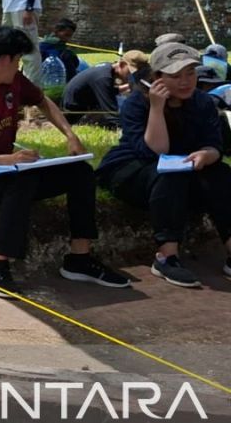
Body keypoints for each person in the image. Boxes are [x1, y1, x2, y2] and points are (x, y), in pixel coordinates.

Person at [0, 25, 129, 298]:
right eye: (17, 60)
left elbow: (43, 102)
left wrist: (70, 135)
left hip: (12, 170)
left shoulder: (13, 83)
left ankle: (80, 257)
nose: (19, 66)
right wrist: (8, 160)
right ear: (5, 60)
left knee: (81, 173)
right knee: (22, 181)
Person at [97, 42, 231, 288]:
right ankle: (166, 257)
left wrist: (206, 154)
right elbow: (154, 152)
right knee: (169, 175)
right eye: (175, 76)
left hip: (185, 170)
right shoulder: (137, 103)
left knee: (222, 174)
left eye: (190, 73)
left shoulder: (202, 103)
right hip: (133, 169)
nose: (185, 81)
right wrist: (157, 109)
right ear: (156, 77)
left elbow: (215, 145)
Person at [61, 49, 150, 127]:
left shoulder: (106, 68)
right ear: (122, 65)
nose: (133, 76)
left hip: (87, 106)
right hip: (76, 115)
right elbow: (111, 115)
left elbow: (106, 91)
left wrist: (126, 87)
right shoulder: (103, 78)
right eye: (131, 73)